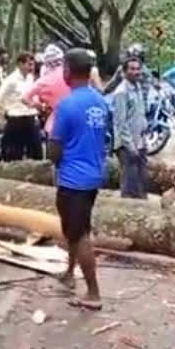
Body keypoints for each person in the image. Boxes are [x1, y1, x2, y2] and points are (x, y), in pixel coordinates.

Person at [49, 48, 110, 311]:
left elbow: (55, 147)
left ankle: (93, 293)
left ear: (67, 71)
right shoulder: (100, 101)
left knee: (80, 233)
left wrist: (54, 158)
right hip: (94, 174)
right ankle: (69, 272)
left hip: (73, 178)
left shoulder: (67, 105)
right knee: (74, 229)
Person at [111, 55, 149, 198]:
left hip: (139, 141)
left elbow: (140, 114)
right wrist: (130, 146)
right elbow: (120, 122)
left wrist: (143, 138)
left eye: (138, 69)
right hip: (128, 145)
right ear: (125, 71)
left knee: (142, 179)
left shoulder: (138, 87)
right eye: (132, 69)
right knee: (129, 182)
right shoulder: (121, 92)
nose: (136, 72)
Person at [0, 52, 42, 161]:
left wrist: (36, 104)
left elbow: (32, 95)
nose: (31, 67)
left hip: (30, 117)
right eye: (28, 64)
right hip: (16, 119)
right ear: (20, 64)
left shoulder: (30, 78)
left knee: (36, 151)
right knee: (14, 153)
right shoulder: (10, 80)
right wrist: (5, 112)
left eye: (32, 64)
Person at [23, 44, 70, 134]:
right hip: (77, 120)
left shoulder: (44, 80)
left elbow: (24, 98)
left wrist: (40, 106)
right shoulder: (71, 74)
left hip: (55, 122)